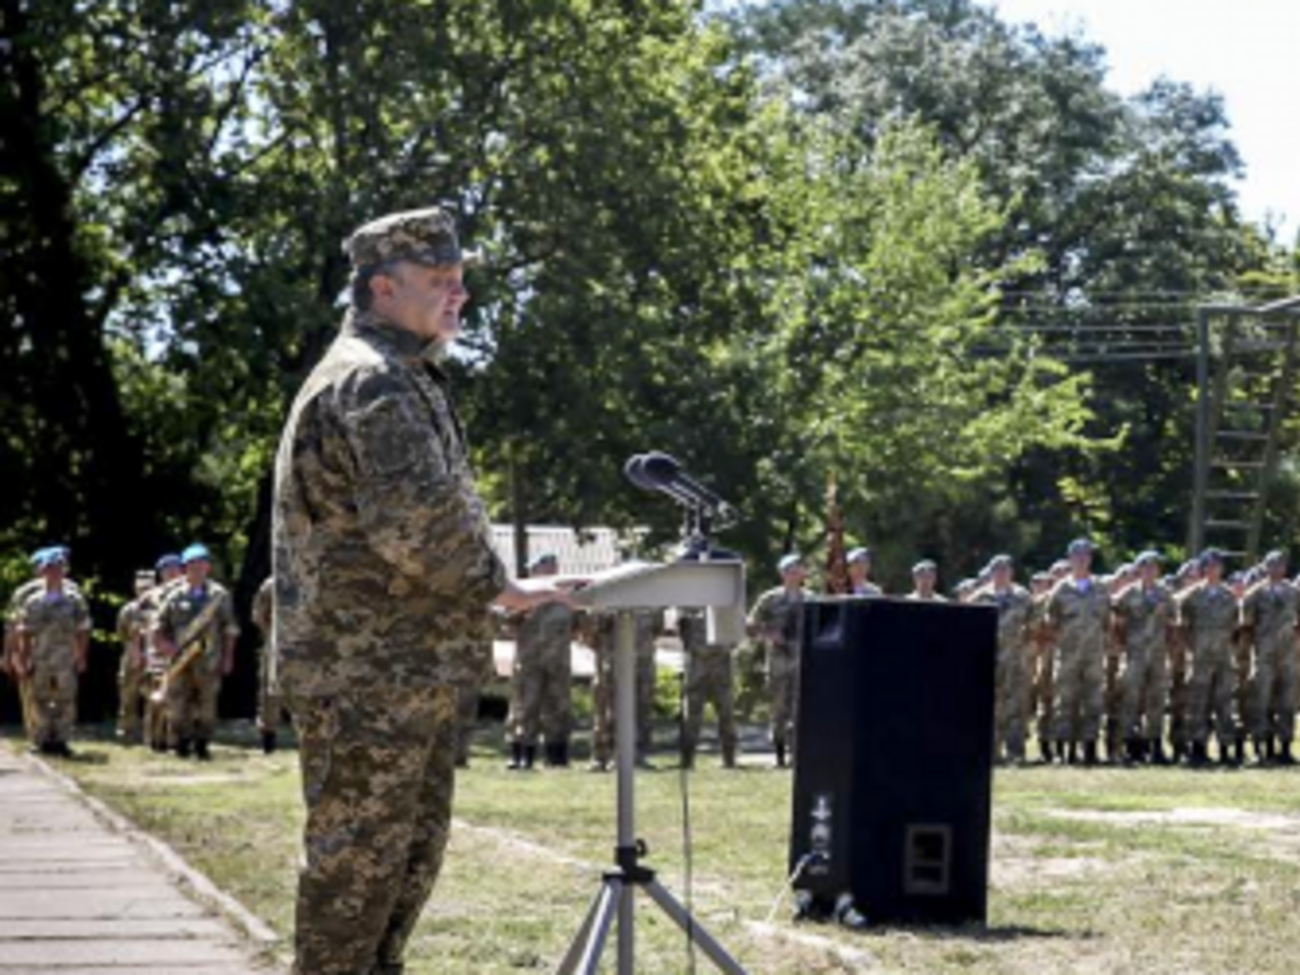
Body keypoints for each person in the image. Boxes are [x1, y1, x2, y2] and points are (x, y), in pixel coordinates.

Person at [272, 206, 571, 975]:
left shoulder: (403, 374)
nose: (458, 295)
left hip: (401, 674)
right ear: (381, 287)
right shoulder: (372, 381)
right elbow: (423, 531)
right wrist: (506, 590)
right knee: (356, 878)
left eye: (461, 281)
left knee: (396, 870)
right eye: (439, 281)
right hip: (370, 677)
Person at [152, 543, 238, 760]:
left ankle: (202, 743)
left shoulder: (219, 595)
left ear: (208, 567)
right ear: (185, 568)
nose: (197, 568)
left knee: (207, 703)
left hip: (209, 659)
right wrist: (162, 645)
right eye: (192, 564)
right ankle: (181, 741)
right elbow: (158, 625)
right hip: (180, 659)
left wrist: (228, 657)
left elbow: (230, 629)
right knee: (177, 702)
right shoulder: (173, 595)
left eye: (201, 563)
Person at [14, 548, 90, 756]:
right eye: (49, 568)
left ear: (64, 571)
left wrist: (81, 655)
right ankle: (42, 739)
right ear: (41, 572)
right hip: (39, 657)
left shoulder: (74, 600)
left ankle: (62, 740)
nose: (54, 572)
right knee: (39, 698)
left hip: (66, 656)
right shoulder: (32, 601)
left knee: (66, 698)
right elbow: (25, 632)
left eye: (58, 568)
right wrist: (23, 657)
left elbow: (83, 630)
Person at [505, 552, 576, 770]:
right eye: (537, 568)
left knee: (558, 707)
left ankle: (557, 756)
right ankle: (522, 754)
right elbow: (506, 622)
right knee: (525, 707)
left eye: (547, 567)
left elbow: (582, 626)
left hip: (558, 662)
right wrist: (523, 608)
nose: (541, 571)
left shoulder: (567, 597)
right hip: (529, 661)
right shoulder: (522, 594)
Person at [1045, 539, 1110, 765]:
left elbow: (1107, 621)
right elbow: (1050, 623)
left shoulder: (1101, 587)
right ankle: (1063, 749)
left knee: (1093, 701)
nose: (1082, 559)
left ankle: (1090, 748)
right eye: (1077, 556)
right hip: (1068, 655)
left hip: (1093, 654)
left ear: (1090, 559)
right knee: (1066, 701)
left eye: (1086, 555)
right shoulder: (1061, 589)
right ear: (1070, 559)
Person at [1176, 549, 1242, 767]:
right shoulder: (1191, 596)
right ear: (1203, 568)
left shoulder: (1230, 595)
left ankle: (1225, 749)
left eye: (1218, 565)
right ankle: (1197, 748)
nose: (1214, 569)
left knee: (1224, 703)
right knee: (1198, 704)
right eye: (1209, 565)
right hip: (1200, 658)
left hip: (1223, 658)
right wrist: (1190, 650)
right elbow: (1182, 628)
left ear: (1222, 568)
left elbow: (1236, 627)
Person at [1111, 551, 1174, 764]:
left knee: (1156, 702)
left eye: (1154, 567)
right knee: (1130, 701)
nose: (1149, 571)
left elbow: (1173, 623)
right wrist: (1121, 646)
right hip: (1135, 655)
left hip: (1157, 655)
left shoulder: (1165, 594)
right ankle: (1129, 746)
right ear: (1138, 570)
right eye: (1145, 567)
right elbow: (1116, 623)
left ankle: (1155, 746)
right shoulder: (1127, 594)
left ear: (1158, 571)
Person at [748, 553, 810, 768]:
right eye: (789, 570)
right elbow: (751, 625)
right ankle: (779, 756)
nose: (794, 574)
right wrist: (770, 634)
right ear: (782, 573)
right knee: (778, 709)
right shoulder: (770, 598)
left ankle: (797, 756)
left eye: (798, 569)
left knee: (800, 709)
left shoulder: (810, 598)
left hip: (802, 659)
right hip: (777, 660)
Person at [973, 555, 1033, 763]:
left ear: (1011, 572)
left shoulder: (1023, 596)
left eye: (1005, 569)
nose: (1001, 573)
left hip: (1016, 659)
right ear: (991, 573)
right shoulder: (980, 597)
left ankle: (1015, 752)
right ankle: (991, 750)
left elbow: (1033, 626)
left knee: (1016, 705)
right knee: (990, 706)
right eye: (997, 569)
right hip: (989, 659)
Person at [1240, 550, 1298, 764]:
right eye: (1272, 564)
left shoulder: (1294, 593)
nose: (1277, 568)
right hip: (1264, 654)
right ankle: (1260, 748)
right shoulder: (1255, 594)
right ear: (1265, 567)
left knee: (1287, 702)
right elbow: (1246, 626)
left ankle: (1284, 747)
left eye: (1281, 564)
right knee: (1261, 701)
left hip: (1288, 655)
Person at [585, 608, 660, 771]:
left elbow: (656, 629)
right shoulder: (609, 599)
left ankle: (637, 755)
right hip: (614, 660)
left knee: (642, 709)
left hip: (643, 662)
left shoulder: (651, 603)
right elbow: (591, 633)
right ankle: (606, 755)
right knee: (610, 710)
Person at [678, 607, 738, 769]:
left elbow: (735, 638)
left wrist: (719, 651)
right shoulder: (687, 608)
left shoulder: (727, 608)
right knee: (691, 715)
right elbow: (683, 636)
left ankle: (729, 759)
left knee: (726, 714)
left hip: (721, 668)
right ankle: (687, 760)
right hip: (697, 669)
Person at [115, 570, 158, 743]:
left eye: (148, 587)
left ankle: (151, 735)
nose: (145, 591)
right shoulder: (128, 610)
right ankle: (126, 733)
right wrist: (134, 652)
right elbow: (122, 633)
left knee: (153, 698)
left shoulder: (160, 607)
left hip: (154, 658)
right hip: (131, 657)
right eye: (141, 587)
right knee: (128, 698)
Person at [251, 575, 283, 754]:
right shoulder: (271, 584)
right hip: (277, 641)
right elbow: (259, 615)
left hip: (308, 644)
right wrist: (271, 634)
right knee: (269, 692)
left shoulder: (313, 578)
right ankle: (268, 739)